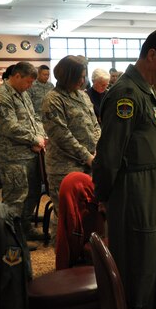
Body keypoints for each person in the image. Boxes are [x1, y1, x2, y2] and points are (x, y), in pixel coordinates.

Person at [93, 28, 156, 309]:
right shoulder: (126, 94)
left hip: (155, 200)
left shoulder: (147, 92)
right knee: (137, 279)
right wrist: (105, 199)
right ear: (152, 55)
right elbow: (109, 157)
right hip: (136, 201)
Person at [42, 55, 101, 240]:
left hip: (88, 164)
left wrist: (98, 148)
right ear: (66, 75)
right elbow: (62, 136)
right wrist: (88, 156)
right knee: (66, 217)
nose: (82, 81)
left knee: (87, 213)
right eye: (79, 77)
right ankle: (62, 258)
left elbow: (95, 125)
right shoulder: (53, 99)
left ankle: (83, 255)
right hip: (64, 168)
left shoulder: (82, 95)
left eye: (84, 77)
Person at [0, 61, 47, 241]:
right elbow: (10, 127)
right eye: (28, 82)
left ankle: (25, 228)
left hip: (30, 154)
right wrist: (34, 139)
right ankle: (11, 240)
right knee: (16, 197)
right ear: (16, 76)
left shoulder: (23, 93)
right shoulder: (1, 97)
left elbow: (34, 117)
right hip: (13, 158)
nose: (30, 86)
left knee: (32, 193)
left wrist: (40, 136)